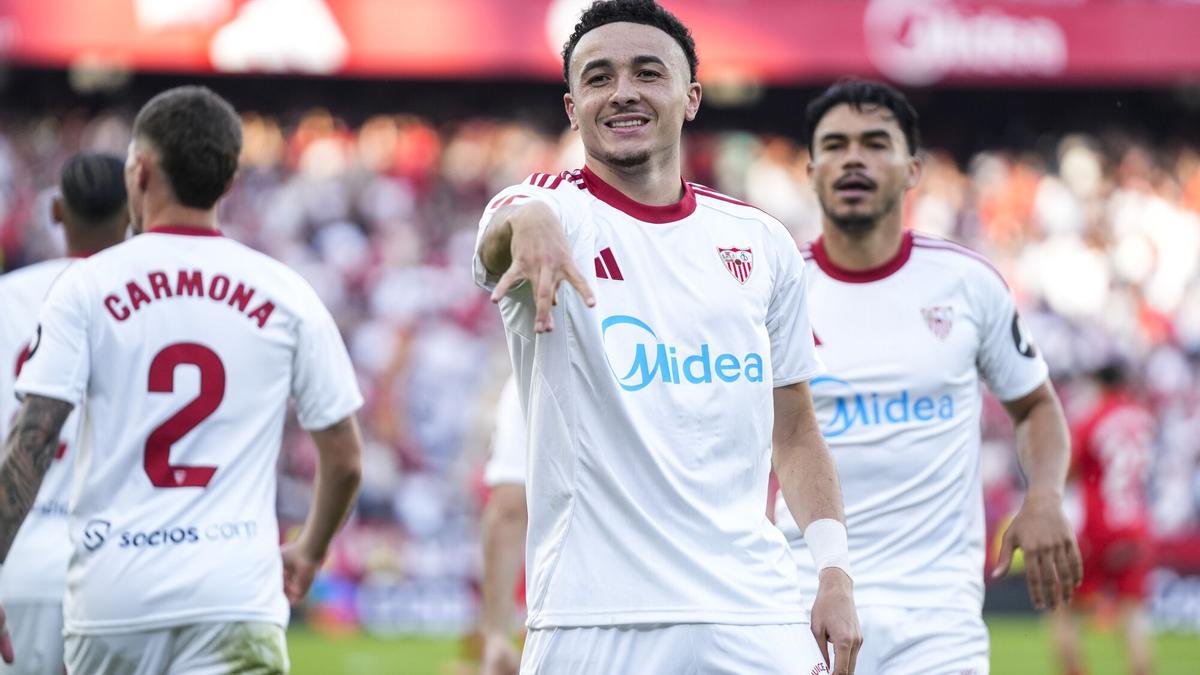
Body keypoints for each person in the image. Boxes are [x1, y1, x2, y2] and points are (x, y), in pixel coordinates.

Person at [473, 1, 861, 673]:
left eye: (647, 73)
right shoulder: (552, 210)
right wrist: (525, 219)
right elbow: (503, 228)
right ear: (573, 108)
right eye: (598, 78)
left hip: (754, 611)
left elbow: (794, 427)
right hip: (593, 617)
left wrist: (833, 571)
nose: (622, 90)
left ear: (691, 97)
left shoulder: (761, 240)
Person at [0, 85, 364, 674]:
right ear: (228, 182)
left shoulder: (86, 285)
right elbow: (345, 458)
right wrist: (309, 550)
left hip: (113, 597)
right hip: (235, 597)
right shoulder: (286, 291)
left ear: (139, 173)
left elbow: (34, 439)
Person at [774, 79, 1082, 673]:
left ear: (913, 168)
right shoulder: (775, 287)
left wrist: (1043, 495)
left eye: (875, 143)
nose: (853, 158)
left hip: (938, 617)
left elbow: (1036, 406)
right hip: (802, 599)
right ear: (811, 171)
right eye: (834, 145)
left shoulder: (969, 283)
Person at [0, 152, 129, 675]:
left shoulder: (7, 298)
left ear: (57, 212)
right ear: (132, 215)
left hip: (19, 559)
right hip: (121, 569)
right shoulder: (148, 304)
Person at [1052, 359, 1155, 675]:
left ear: (1100, 384)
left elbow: (1068, 471)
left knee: (1063, 609)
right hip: (1137, 525)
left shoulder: (1094, 418)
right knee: (1133, 615)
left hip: (1098, 526)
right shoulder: (1142, 418)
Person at [479, 376, 529, 675]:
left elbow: (508, 509)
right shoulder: (692, 359)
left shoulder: (534, 376)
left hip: (591, 618)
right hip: (695, 597)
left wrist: (496, 634)